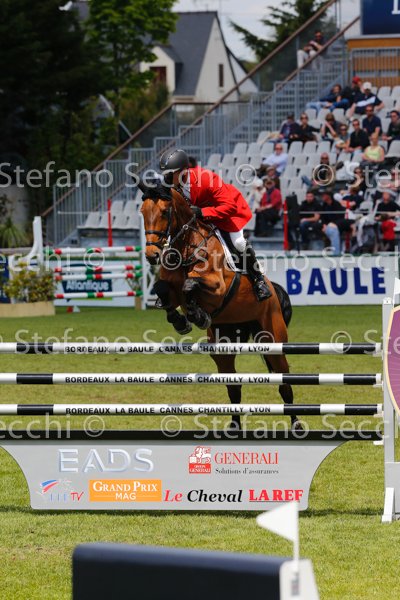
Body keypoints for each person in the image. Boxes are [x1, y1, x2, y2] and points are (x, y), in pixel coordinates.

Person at [159, 148, 271, 300]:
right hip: (197, 221)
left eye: (170, 174)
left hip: (225, 215)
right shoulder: (172, 184)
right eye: (165, 174)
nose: (167, 178)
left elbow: (230, 206)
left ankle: (258, 279)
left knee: (239, 243)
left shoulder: (207, 178)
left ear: (183, 171)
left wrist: (203, 212)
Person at [319, 190, 346, 255]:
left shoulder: (337, 205)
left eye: (324, 195)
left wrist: (332, 224)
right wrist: (324, 225)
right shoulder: (323, 206)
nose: (322, 197)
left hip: (336, 224)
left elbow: (340, 217)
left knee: (333, 231)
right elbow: (322, 217)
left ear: (328, 196)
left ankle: (336, 253)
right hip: (327, 225)